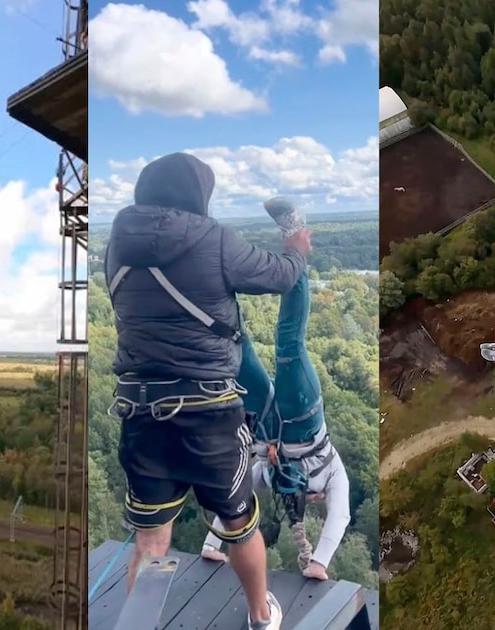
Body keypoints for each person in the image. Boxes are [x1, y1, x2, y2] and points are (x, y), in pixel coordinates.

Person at [105, 154, 311, 630]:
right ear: (198, 194)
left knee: (151, 541)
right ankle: (261, 615)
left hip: (141, 413)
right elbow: (279, 275)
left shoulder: (117, 241)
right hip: (208, 415)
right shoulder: (212, 238)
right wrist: (298, 248)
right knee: (240, 525)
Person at [198, 198, 352, 582]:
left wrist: (211, 544)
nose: (314, 497)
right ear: (315, 497)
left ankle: (204, 256)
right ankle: (294, 233)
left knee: (237, 351)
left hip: (266, 423)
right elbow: (342, 514)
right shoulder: (333, 475)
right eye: (315, 497)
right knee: (288, 344)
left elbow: (236, 496)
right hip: (303, 418)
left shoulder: (267, 477)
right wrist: (320, 560)